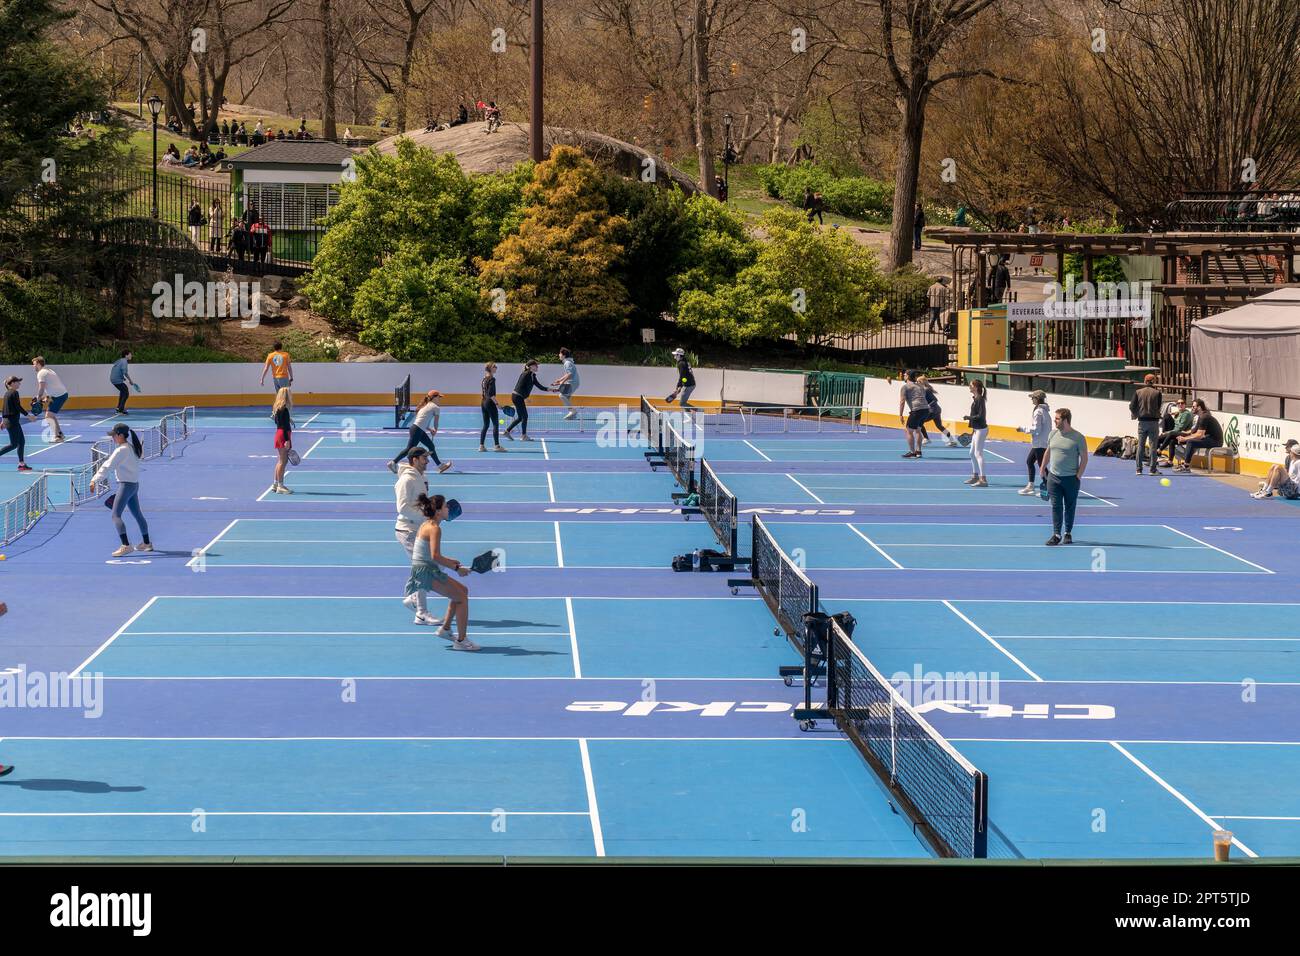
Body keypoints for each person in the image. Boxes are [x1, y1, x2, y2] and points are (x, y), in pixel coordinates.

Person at [405, 493, 476, 648]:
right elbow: (435, 556)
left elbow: (431, 554)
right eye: (445, 506)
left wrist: (451, 561)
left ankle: (446, 629)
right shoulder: (434, 528)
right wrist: (457, 568)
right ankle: (461, 641)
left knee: (462, 591)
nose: (448, 509)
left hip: (425, 568)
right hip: (426, 572)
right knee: (462, 598)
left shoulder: (428, 524)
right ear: (438, 511)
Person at [92, 423, 152, 557]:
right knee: (138, 514)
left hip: (125, 486)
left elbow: (108, 466)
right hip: (134, 485)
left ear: (120, 435)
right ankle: (147, 543)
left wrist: (94, 480)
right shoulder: (132, 447)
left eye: (113, 435)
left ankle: (126, 545)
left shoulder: (121, 450)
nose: (112, 438)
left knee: (115, 515)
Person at [1042, 407, 1088, 546]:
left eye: (1057, 418)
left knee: (1070, 506)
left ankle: (1068, 533)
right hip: (1053, 478)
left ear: (1065, 420)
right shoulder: (1052, 434)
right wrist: (1043, 467)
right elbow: (1048, 452)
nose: (1054, 421)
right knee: (1056, 506)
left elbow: (1084, 459)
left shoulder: (1078, 437)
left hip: (1071, 479)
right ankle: (1056, 534)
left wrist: (1078, 476)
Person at [389, 390, 453, 473]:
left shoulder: (425, 406)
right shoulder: (436, 407)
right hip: (417, 430)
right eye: (439, 397)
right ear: (434, 397)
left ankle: (440, 466)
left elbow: (422, 421)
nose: (439, 399)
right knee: (409, 449)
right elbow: (436, 422)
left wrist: (430, 429)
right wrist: (435, 430)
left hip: (417, 429)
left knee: (431, 446)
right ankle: (393, 462)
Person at [1173, 399, 1224, 472]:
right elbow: (1194, 431)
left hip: (1215, 441)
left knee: (1190, 442)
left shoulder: (1204, 417)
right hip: (1208, 438)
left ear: (1199, 407)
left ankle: (1186, 466)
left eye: (1193, 407)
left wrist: (1185, 438)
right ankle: (1178, 460)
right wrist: (1182, 435)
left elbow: (1199, 435)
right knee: (1178, 439)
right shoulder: (1201, 416)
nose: (1192, 408)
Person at [1016, 390, 1051, 495]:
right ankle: (1031, 486)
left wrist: (1023, 429)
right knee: (1030, 461)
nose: (1031, 399)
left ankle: (1050, 488)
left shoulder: (1038, 412)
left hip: (1040, 443)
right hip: (1041, 442)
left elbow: (1036, 429)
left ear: (1037, 399)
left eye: (1033, 398)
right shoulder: (1044, 411)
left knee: (1042, 466)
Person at [505, 359, 548, 441]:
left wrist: (551, 389)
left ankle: (507, 431)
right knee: (525, 416)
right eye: (536, 365)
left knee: (521, 417)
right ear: (531, 367)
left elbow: (540, 386)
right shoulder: (526, 374)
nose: (537, 366)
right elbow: (520, 387)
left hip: (518, 397)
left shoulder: (532, 375)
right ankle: (523, 436)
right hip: (517, 397)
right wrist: (525, 397)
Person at [1129, 373, 1163, 476]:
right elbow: (1158, 406)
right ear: (1154, 381)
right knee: (1153, 446)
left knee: (1140, 446)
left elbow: (1131, 406)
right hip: (1153, 422)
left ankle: (1138, 469)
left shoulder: (1138, 392)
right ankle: (1152, 469)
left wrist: (1135, 414)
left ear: (1145, 381)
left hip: (1142, 421)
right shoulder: (1157, 393)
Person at [1, 375, 36, 472]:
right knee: (14, 444)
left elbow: (4, 408)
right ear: (12, 383)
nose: (19, 383)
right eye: (17, 382)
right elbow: (17, 407)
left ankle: (21, 464)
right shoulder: (14, 393)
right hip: (12, 422)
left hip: (12, 421)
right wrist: (28, 416)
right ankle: (21, 464)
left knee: (21, 442)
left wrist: (3, 420)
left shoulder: (7, 393)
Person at [31, 357, 68, 441]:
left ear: (38, 364)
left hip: (59, 396)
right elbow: (53, 387)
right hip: (60, 394)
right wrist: (43, 399)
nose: (33, 366)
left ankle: (56, 437)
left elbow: (41, 388)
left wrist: (38, 398)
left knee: (48, 416)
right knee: (51, 415)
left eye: (34, 364)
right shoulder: (48, 370)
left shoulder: (41, 373)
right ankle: (59, 434)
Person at [916, 374, 957, 447]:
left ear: (921, 382)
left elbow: (935, 400)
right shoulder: (923, 390)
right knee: (939, 426)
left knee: (919, 421)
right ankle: (952, 440)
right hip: (936, 410)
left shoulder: (926, 390)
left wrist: (928, 405)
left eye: (917, 382)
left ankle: (926, 438)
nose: (916, 383)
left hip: (933, 411)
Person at [897, 370, 930, 459]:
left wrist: (900, 414)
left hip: (917, 409)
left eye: (904, 375)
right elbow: (923, 396)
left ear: (907, 376)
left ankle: (912, 452)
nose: (903, 376)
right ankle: (918, 451)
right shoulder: (920, 386)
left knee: (909, 430)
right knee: (918, 430)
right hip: (926, 409)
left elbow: (902, 401)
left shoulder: (905, 387)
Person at [962, 379, 989, 487]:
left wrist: (968, 417)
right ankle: (975, 476)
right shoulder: (976, 399)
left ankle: (983, 479)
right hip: (976, 429)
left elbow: (981, 416)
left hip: (981, 430)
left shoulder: (980, 399)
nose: (969, 386)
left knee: (978, 454)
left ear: (975, 387)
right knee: (971, 453)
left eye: (971, 385)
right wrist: (972, 431)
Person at [270, 386, 294, 494]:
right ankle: (280, 485)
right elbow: (284, 426)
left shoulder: (278, 408)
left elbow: (279, 422)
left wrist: (288, 419)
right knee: (283, 461)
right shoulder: (284, 409)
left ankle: (275, 484)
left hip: (279, 434)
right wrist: (287, 440)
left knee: (280, 460)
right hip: (283, 435)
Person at [479, 362, 506, 453]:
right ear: (490, 368)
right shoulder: (492, 379)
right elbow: (491, 394)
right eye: (494, 366)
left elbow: (484, 392)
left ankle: (481, 446)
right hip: (490, 403)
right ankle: (497, 446)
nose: (496, 367)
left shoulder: (483, 379)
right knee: (495, 424)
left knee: (486, 425)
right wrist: (497, 404)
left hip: (483, 403)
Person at [1157, 399, 1194, 465]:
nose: (1180, 404)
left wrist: (1167, 433)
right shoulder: (1179, 412)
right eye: (1178, 403)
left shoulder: (1186, 414)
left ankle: (1160, 451)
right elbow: (1175, 426)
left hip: (1183, 433)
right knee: (1167, 416)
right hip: (1175, 432)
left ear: (1185, 405)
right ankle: (1158, 458)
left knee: (1170, 437)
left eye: (1182, 403)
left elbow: (1179, 428)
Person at [553, 347, 580, 420]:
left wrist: (562, 382)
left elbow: (570, 374)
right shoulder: (567, 362)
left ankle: (572, 411)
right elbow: (568, 374)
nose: (559, 355)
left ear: (563, 355)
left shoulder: (567, 363)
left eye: (560, 353)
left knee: (562, 396)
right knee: (566, 397)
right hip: (573, 382)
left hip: (572, 383)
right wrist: (560, 380)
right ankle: (572, 414)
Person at [109, 349, 137, 415]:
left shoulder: (120, 360)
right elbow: (125, 372)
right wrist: (130, 381)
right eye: (130, 354)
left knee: (123, 391)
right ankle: (120, 410)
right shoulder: (124, 362)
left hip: (113, 379)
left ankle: (119, 408)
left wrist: (122, 378)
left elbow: (117, 369)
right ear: (126, 355)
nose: (131, 355)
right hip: (116, 379)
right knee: (126, 393)